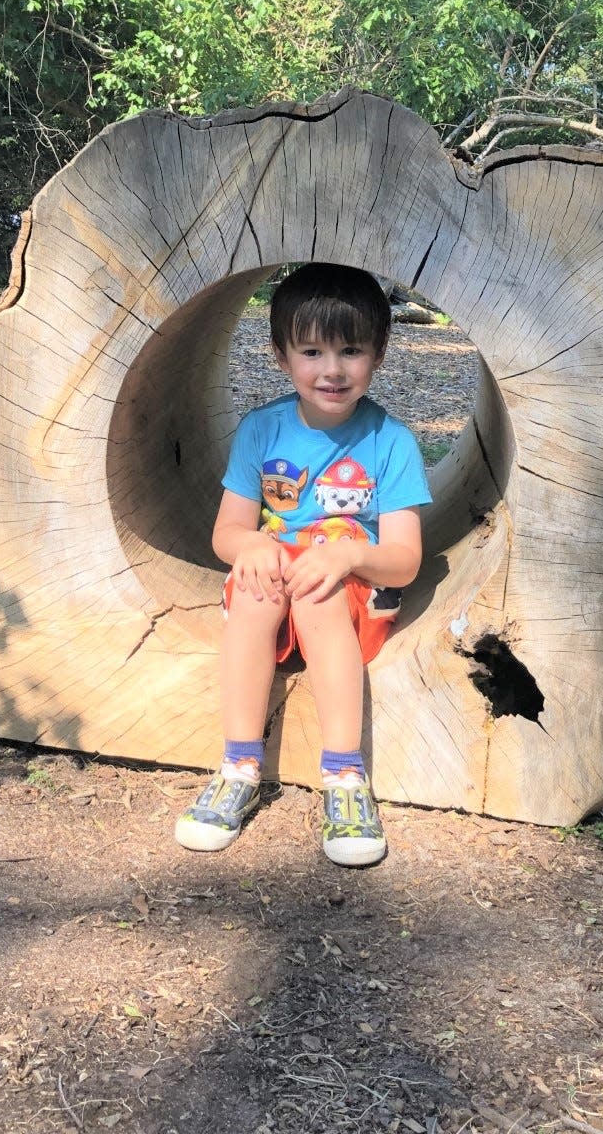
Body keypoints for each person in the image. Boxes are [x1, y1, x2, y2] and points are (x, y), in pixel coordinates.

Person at [175, 263, 432, 866]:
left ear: (379, 354)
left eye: (351, 350)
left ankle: (344, 776)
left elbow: (403, 560)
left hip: (341, 590)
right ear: (281, 355)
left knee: (316, 596)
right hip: (275, 580)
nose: (332, 369)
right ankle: (239, 763)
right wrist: (252, 546)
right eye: (312, 350)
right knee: (255, 590)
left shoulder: (390, 441)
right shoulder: (261, 431)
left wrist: (350, 554)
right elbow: (226, 533)